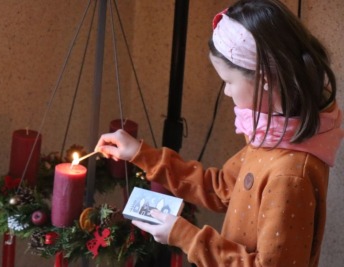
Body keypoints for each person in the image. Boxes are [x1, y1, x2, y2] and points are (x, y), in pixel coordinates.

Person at [95, 0, 344, 266]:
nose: (225, 91)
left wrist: (185, 237)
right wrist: (142, 154)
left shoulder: (290, 175)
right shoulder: (273, 135)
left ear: (265, 79)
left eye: (228, 81)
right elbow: (222, 188)